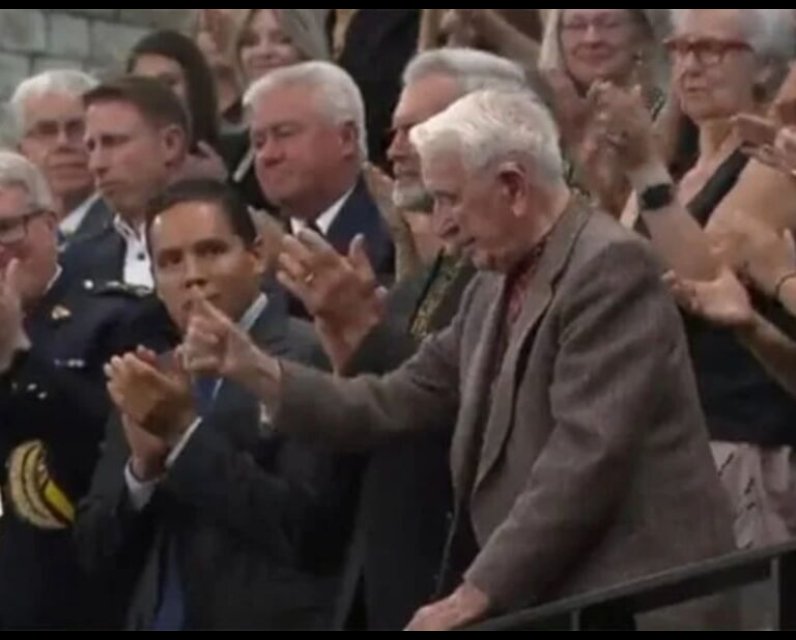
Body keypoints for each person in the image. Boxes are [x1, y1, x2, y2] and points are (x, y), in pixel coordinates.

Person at [181, 89, 735, 631]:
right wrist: (256, 370)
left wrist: (476, 594)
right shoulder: (489, 288)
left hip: (637, 604)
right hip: (558, 602)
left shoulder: (610, 269)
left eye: (449, 198)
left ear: (513, 187)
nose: (440, 223)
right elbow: (393, 400)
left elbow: (585, 460)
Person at [75, 179, 355, 630]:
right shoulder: (150, 374)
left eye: (210, 251)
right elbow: (94, 552)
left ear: (257, 255)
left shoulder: (312, 356)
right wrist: (142, 472)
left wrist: (184, 436)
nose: (192, 275)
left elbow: (307, 530)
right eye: (170, 261)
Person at [0, 152, 151, 629]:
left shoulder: (116, 317)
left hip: (67, 593)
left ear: (49, 225)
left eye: (6, 229)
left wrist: (16, 351)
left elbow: (110, 446)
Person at [247, 61, 394, 315]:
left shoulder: (397, 233)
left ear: (346, 139)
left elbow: (418, 335)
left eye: (284, 134)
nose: (267, 155)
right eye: (258, 143)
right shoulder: (250, 247)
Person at [9, 70, 110, 249]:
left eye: (77, 128)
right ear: (22, 151)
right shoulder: (11, 238)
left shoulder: (125, 228)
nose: (63, 142)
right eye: (46, 130)